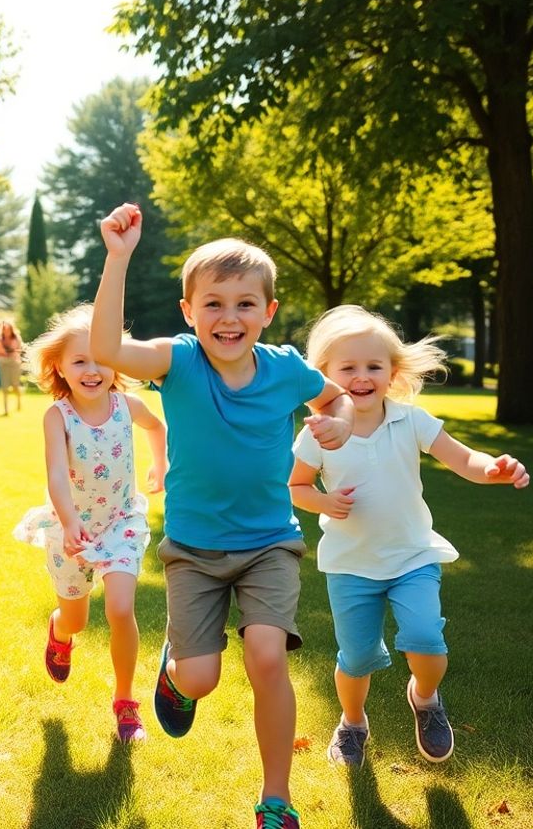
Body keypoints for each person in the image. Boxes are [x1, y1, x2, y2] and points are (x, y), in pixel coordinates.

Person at [91, 203, 355, 829]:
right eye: (213, 303)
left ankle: (276, 800)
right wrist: (117, 258)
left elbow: (336, 395)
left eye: (244, 304)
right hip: (194, 549)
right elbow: (105, 349)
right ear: (189, 311)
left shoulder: (287, 369)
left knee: (267, 656)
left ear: (268, 311)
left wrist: (340, 422)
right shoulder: (178, 362)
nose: (228, 316)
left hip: (270, 544)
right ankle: (176, 676)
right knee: (202, 678)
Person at [289, 305, 530, 769]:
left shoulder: (411, 420)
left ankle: (425, 697)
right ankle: (353, 723)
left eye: (374, 366)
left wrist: (493, 468)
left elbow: (464, 460)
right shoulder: (318, 434)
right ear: (324, 377)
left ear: (392, 372)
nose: (362, 377)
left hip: (412, 557)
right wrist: (323, 501)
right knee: (356, 658)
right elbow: (296, 487)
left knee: (425, 640)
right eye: (348, 368)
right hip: (351, 564)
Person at [13, 304, 166, 743]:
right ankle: (60, 631)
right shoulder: (57, 416)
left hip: (121, 521)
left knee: (120, 609)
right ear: (59, 367)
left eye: (101, 358)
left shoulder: (128, 406)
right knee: (76, 619)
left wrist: (160, 463)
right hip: (72, 528)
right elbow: (56, 475)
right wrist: (68, 522)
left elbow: (157, 427)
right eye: (80, 361)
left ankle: (125, 702)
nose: (93, 370)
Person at [0, 319, 24, 414]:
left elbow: (19, 350)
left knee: (15, 385)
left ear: (11, 329)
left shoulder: (17, 337)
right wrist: (4, 352)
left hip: (14, 363)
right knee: (4, 387)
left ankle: (19, 401)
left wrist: (12, 351)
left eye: (8, 328)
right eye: (4, 328)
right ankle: (6, 410)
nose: (6, 330)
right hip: (3, 364)